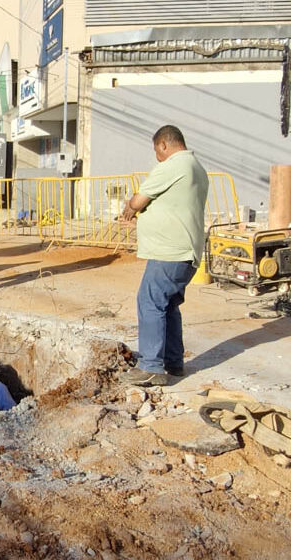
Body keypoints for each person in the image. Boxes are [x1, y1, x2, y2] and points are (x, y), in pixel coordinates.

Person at [118, 125, 209, 387]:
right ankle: (173, 362)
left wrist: (130, 209)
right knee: (168, 306)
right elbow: (174, 212)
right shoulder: (196, 168)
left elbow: (139, 200)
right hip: (184, 251)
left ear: (163, 145)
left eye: (156, 150)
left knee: (150, 301)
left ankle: (151, 367)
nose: (156, 155)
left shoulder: (174, 165)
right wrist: (141, 225)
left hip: (170, 253)